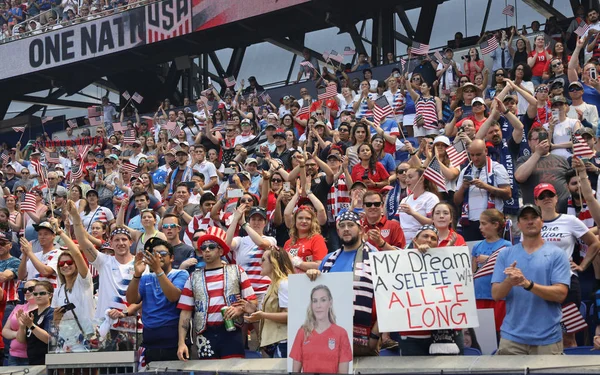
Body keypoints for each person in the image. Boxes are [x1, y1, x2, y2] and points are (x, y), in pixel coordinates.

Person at [491, 204, 571, 355]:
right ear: (518, 224)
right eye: (525, 218)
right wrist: (509, 281)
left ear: (541, 221)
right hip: (512, 338)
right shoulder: (505, 254)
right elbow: (496, 295)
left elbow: (560, 294)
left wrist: (528, 284)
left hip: (548, 339)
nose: (530, 221)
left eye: (534, 217)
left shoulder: (557, 254)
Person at [532, 182, 600, 347]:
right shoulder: (531, 224)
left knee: (568, 336)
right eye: (542, 196)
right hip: (540, 284)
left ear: (556, 198)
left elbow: (594, 243)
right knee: (543, 334)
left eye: (550, 195)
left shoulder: (570, 220)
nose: (546, 198)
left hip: (567, 282)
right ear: (536, 201)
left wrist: (582, 266)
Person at [177, 227, 257, 360]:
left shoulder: (237, 271)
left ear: (221, 250)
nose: (207, 250)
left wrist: (240, 310)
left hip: (231, 332)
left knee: (233, 371)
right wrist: (181, 343)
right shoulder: (193, 277)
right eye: (203, 248)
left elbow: (253, 304)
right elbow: (185, 312)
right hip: (205, 334)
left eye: (212, 246)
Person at [306, 211, 380, 357]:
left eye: (351, 225)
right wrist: (312, 276)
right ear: (338, 231)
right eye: (342, 225)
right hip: (328, 338)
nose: (346, 228)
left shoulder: (374, 257)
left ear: (361, 230)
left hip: (362, 342)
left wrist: (375, 337)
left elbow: (385, 299)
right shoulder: (328, 260)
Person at [126, 237, 189, 363]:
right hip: (150, 339)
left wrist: (158, 270)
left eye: (163, 254)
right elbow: (132, 299)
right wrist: (137, 274)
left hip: (173, 338)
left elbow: (173, 296)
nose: (158, 257)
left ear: (171, 258)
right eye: (154, 254)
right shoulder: (146, 278)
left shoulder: (180, 274)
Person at [51, 219, 95, 353]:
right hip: (65, 343)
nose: (65, 265)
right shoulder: (58, 291)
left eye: (69, 262)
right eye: (61, 264)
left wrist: (60, 232)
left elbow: (76, 253)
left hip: (85, 342)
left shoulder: (83, 282)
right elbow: (55, 324)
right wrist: (56, 319)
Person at [454, 139, 511, 241]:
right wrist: (463, 187)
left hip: (493, 222)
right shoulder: (465, 170)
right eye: (472, 155)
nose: (475, 158)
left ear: (486, 151)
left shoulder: (497, 168)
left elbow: (507, 194)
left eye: (478, 154)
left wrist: (486, 187)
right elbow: (457, 201)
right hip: (470, 222)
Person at [289, 284, 352, 373]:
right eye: (315, 301)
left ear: (330, 303)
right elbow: (295, 372)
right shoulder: (303, 332)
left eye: (323, 300)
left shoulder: (341, 333)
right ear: (311, 304)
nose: (318, 305)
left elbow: (343, 372)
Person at [243, 248, 294, 358]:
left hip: (283, 343)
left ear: (274, 263)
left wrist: (262, 315)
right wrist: (255, 311)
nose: (259, 263)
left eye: (263, 260)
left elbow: (290, 315)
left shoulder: (284, 284)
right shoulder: (273, 284)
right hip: (274, 343)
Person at [472, 209, 512, 335]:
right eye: (480, 224)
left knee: (498, 332)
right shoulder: (477, 246)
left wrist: (489, 259)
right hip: (479, 295)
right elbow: (473, 272)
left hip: (498, 297)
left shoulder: (507, 245)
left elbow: (509, 269)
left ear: (495, 225)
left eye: (484, 224)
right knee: (483, 334)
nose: (480, 227)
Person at [515, 127, 570, 212]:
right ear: (529, 142)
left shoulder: (561, 160)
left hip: (562, 211)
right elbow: (519, 177)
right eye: (536, 139)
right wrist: (537, 153)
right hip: (536, 213)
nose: (540, 141)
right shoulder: (523, 160)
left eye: (543, 138)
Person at [16, 281, 54, 365]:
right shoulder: (31, 314)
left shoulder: (52, 313)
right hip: (32, 359)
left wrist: (31, 325)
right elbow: (21, 340)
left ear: (50, 295)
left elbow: (48, 339)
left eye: (42, 293)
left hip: (47, 360)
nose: (38, 296)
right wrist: (21, 326)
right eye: (35, 294)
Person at [3, 279, 36, 366]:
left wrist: (19, 334)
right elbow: (5, 331)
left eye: (31, 289)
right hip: (13, 355)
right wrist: (18, 334)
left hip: (31, 356)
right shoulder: (18, 307)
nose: (27, 292)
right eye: (25, 290)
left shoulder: (42, 309)